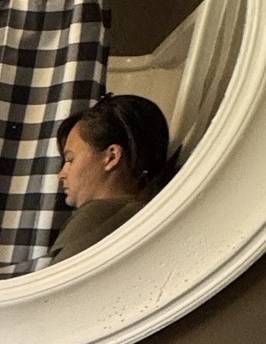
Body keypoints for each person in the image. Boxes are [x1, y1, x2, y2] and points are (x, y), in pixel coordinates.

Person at [50, 93, 174, 261]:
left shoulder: (96, 216)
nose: (62, 174)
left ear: (112, 157)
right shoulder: (148, 214)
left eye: (71, 159)